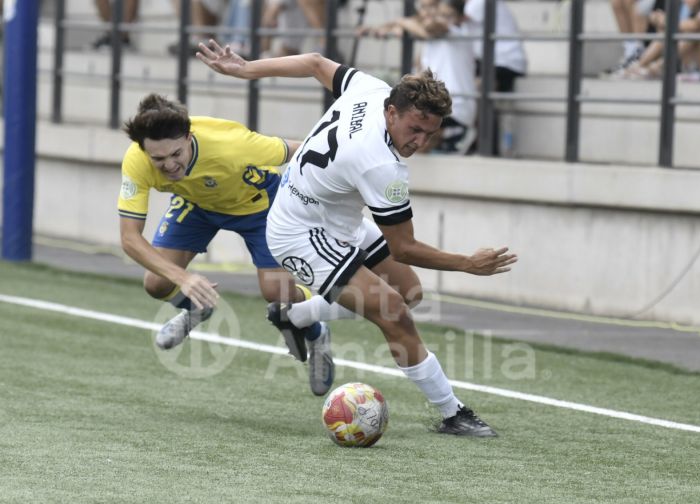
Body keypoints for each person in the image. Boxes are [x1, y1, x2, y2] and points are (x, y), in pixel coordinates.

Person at [197, 42, 517, 436]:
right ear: (391, 112)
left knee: (410, 293)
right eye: (414, 129)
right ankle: (453, 413)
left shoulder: (371, 89)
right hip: (300, 233)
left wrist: (247, 70)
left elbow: (315, 63)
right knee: (394, 311)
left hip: (332, 217)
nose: (419, 142)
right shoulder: (381, 164)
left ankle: (296, 315)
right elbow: (404, 247)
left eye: (430, 133)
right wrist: (468, 264)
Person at [118, 93, 334, 395]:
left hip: (259, 206)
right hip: (197, 206)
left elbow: (300, 151)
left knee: (276, 294)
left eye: (176, 154)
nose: (168, 165)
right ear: (144, 150)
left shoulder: (231, 143)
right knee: (156, 283)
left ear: (189, 137)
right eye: (158, 159)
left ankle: (317, 332)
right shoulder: (136, 160)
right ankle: (197, 307)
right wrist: (185, 279)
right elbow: (129, 238)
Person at [362, 0, 476, 153]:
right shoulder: (430, 41)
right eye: (423, 7)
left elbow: (429, 29)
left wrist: (400, 22)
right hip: (437, 106)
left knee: (409, 142)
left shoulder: (454, 30)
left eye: (433, 7)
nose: (428, 12)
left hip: (454, 111)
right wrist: (392, 27)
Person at [463, 0, 528, 156]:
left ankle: (484, 145)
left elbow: (451, 21)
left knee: (479, 93)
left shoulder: (477, 3)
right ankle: (481, 143)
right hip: (494, 60)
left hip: (502, 61)